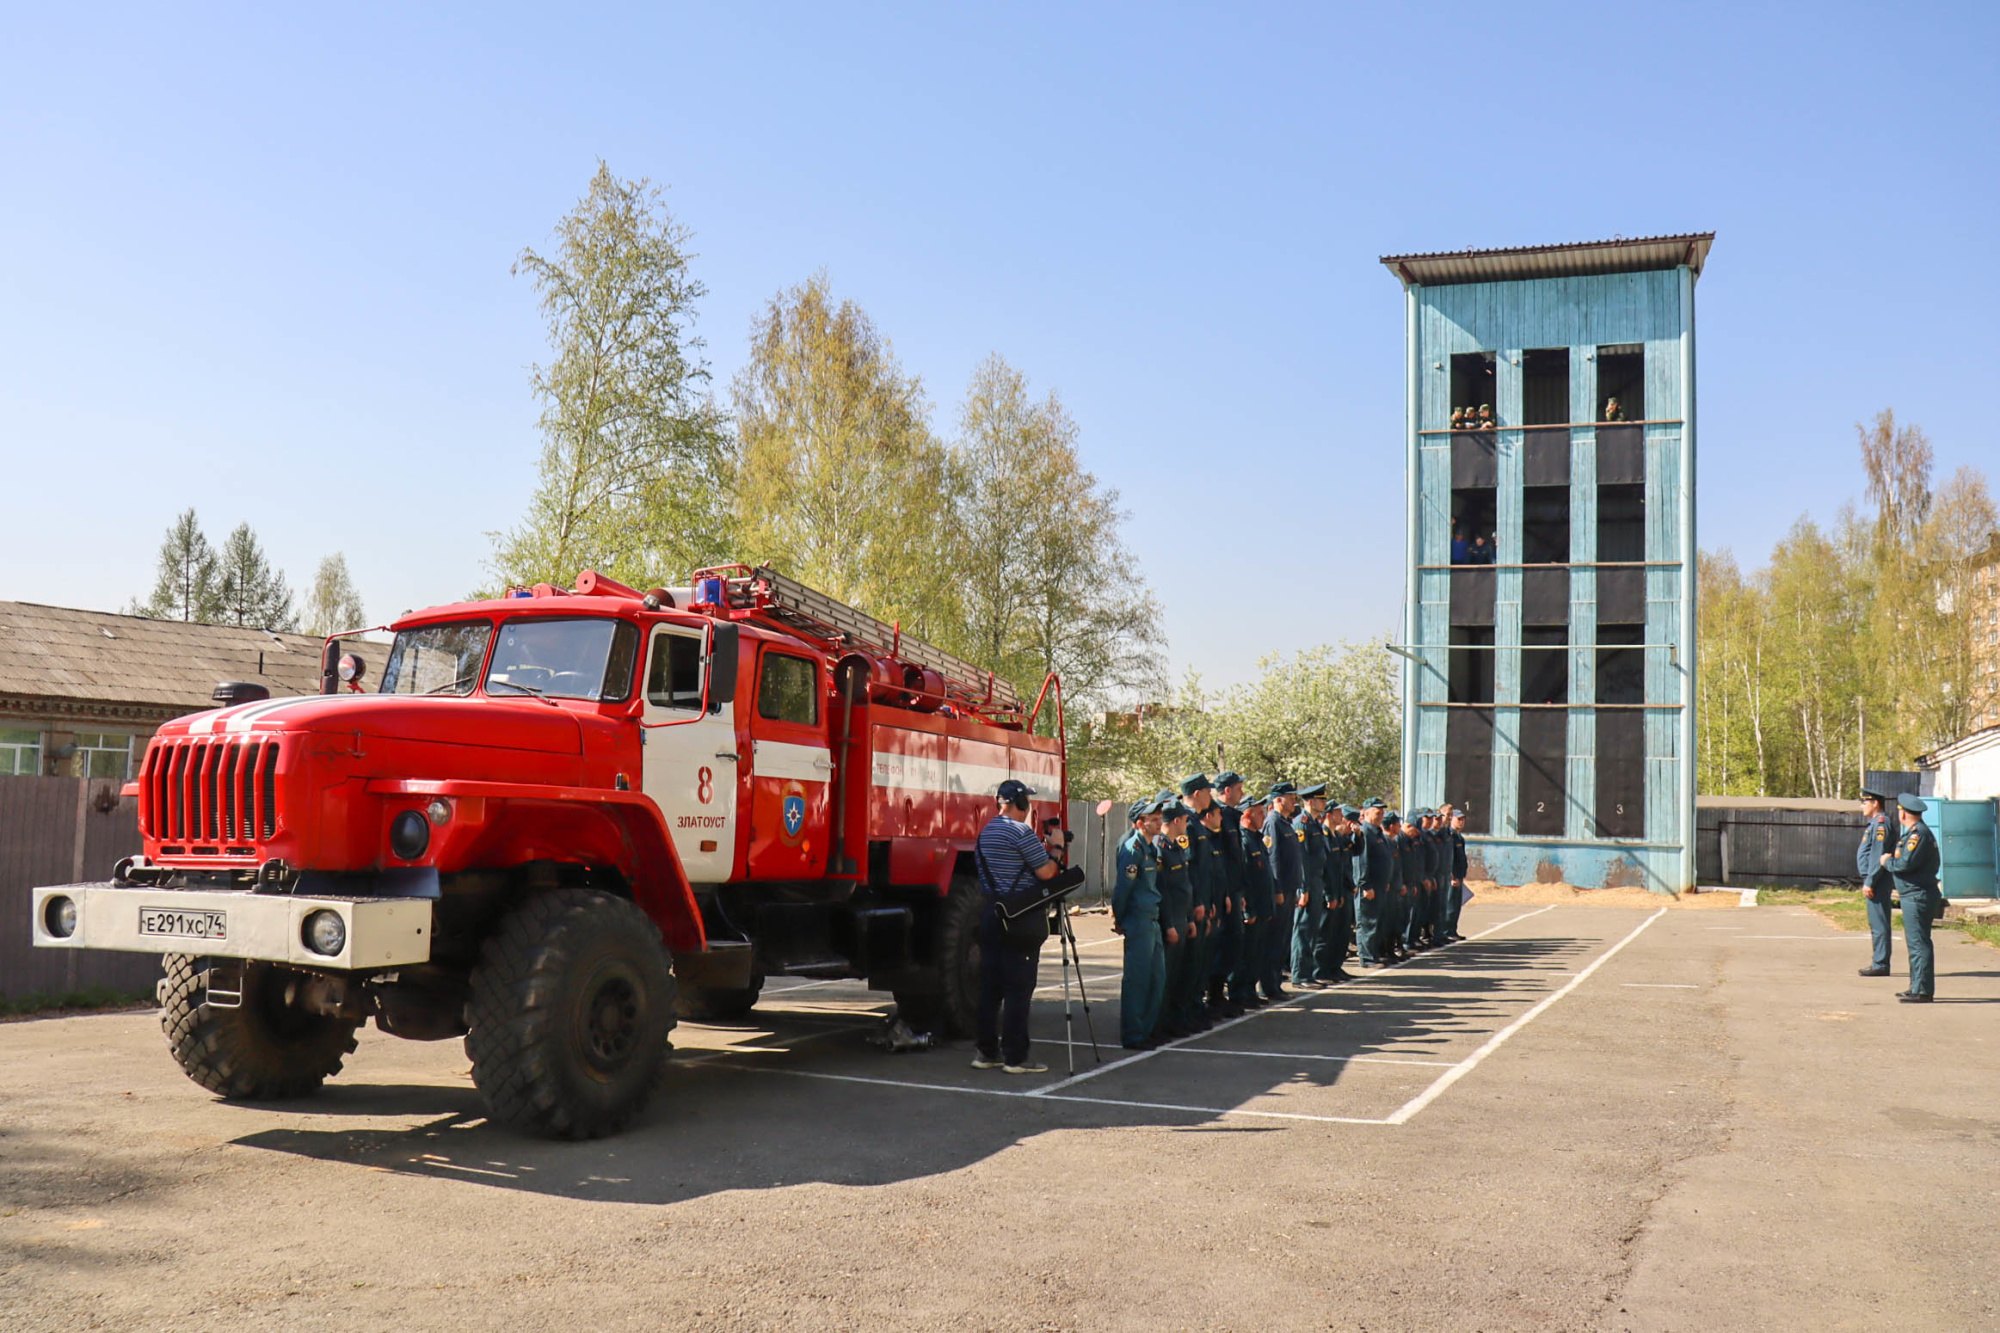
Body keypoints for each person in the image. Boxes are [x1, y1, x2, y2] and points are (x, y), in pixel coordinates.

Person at [972, 778, 1060, 1074]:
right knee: (1019, 990)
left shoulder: (985, 833)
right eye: (1028, 801)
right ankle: (1016, 1057)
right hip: (1020, 920)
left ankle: (986, 1052)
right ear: (1020, 803)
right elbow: (1047, 872)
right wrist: (1056, 849)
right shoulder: (1021, 832)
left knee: (990, 989)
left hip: (991, 915)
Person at [1114, 800, 1167, 1047]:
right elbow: (1123, 890)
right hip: (1139, 919)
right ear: (1139, 823)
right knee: (1137, 980)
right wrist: (1120, 919)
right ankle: (1134, 1034)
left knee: (1157, 977)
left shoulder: (1150, 848)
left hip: (1152, 918)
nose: (1159, 821)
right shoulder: (1132, 849)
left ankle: (1146, 1029)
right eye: (1153, 818)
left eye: (1159, 817)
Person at [1881, 792, 1942, 1003]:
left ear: (1904, 814)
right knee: (1915, 942)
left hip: (1917, 895)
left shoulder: (1918, 835)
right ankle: (1916, 986)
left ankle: (1922, 990)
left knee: (1918, 943)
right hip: (1914, 894)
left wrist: (1886, 862)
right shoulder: (1916, 833)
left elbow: (1904, 864)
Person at [1177, 774, 1219, 1029]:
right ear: (1195, 794)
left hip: (1203, 900)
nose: (1210, 797)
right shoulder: (1187, 824)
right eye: (1207, 792)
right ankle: (1185, 1011)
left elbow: (1206, 870)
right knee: (1190, 963)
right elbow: (1188, 870)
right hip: (1193, 905)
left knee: (1199, 961)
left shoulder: (1196, 823)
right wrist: (1196, 904)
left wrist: (1209, 899)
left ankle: (1194, 1006)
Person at [1207, 771, 1249, 1018]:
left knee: (1234, 943)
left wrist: (1239, 890)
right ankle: (1213, 996)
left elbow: (1235, 859)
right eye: (1239, 788)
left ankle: (1220, 994)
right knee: (1223, 943)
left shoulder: (1231, 817)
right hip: (1223, 892)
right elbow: (1219, 861)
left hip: (1233, 890)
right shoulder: (1217, 817)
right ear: (1226, 791)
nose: (1242, 793)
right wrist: (1224, 892)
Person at [1153, 801, 1197, 1040]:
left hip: (1181, 918)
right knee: (1165, 977)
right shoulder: (1160, 848)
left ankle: (1171, 1021)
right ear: (1177, 820)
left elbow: (1185, 886)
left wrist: (1189, 918)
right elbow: (1163, 892)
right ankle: (1159, 1024)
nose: (1188, 824)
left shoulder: (1176, 846)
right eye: (1185, 819)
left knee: (1177, 975)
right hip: (1170, 922)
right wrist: (1169, 924)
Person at [1230, 791, 1275, 1009]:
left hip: (1263, 906)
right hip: (1252, 908)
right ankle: (1240, 993)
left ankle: (1250, 990)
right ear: (1247, 815)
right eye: (1259, 813)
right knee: (1245, 954)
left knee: (1257, 952)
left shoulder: (1257, 839)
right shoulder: (1244, 840)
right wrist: (1248, 911)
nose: (1264, 817)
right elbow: (1244, 877)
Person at [1262, 782, 1302, 999]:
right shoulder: (1273, 823)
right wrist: (1277, 889)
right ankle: (1269, 985)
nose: (1294, 800)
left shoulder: (1286, 823)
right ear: (1278, 799)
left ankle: (1275, 983)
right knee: (1275, 940)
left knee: (1282, 939)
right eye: (1290, 797)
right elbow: (1274, 858)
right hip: (1281, 890)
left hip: (1289, 890)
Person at [1316, 803, 1360, 983]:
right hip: (1331, 891)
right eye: (1337, 813)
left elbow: (1356, 851)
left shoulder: (1337, 837)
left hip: (1342, 889)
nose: (1341, 816)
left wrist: (1359, 835)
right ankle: (1320, 970)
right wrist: (1330, 894)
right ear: (1328, 815)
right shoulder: (1324, 835)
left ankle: (1334, 968)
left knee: (1340, 934)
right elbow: (1325, 869)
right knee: (1325, 934)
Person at [1291, 784, 1331, 987]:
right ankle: (1300, 975)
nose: (1324, 803)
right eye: (1320, 799)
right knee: (1303, 929)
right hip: (1308, 883)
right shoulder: (1302, 823)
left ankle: (1308, 972)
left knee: (1312, 929)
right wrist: (1303, 889)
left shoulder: (1315, 823)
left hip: (1317, 881)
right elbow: (1302, 859)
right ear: (1310, 801)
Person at [1855, 788, 1897, 978]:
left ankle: (1880, 964)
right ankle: (1879, 961)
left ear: (1875, 803)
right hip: (1874, 880)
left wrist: (1870, 881)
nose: (1862, 806)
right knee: (1876, 923)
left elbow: (1878, 856)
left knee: (1879, 924)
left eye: (1865, 802)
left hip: (1878, 881)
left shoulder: (1881, 824)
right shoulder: (1874, 824)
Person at [1355, 799, 1393, 967]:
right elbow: (1361, 862)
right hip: (1370, 887)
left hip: (1380, 886)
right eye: (1377, 813)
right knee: (1367, 922)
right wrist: (1366, 885)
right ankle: (1367, 958)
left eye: (1382, 813)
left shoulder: (1377, 832)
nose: (1380, 816)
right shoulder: (1365, 832)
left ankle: (1374, 955)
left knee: (1377, 922)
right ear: (1367, 812)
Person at [1443, 805, 1470, 942]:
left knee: (1456, 905)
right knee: (1450, 905)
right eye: (1458, 819)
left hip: (1459, 875)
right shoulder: (1450, 836)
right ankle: (1447, 931)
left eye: (1463, 819)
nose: (1461, 822)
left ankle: (1452, 930)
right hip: (1453, 877)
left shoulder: (1459, 837)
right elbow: (1450, 858)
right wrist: (1452, 875)